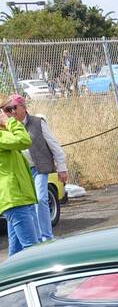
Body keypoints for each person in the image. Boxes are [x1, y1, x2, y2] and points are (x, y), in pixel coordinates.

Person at [2, 95, 67, 242]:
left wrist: (62, 167)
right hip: (22, 173)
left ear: (24, 108)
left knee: (40, 198)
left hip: (38, 168)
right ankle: (36, 235)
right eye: (7, 110)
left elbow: (54, 144)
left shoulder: (37, 122)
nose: (11, 112)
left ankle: (46, 236)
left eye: (13, 108)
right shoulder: (6, 128)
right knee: (28, 207)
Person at [0, 100, 41, 256]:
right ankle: (43, 280)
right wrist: (10, 122)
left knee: (16, 252)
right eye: (5, 110)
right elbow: (24, 140)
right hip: (14, 199)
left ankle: (10, 279)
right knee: (32, 249)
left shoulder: (5, 134)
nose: (10, 113)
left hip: (19, 198)